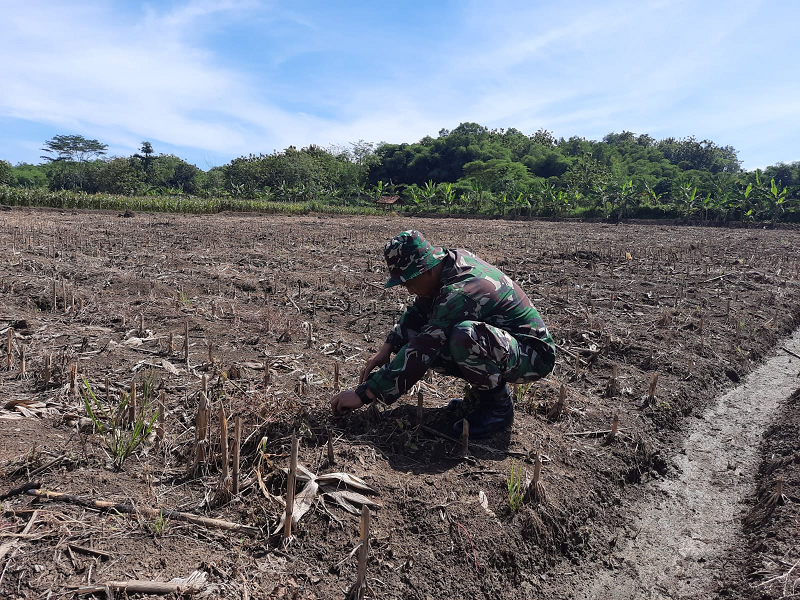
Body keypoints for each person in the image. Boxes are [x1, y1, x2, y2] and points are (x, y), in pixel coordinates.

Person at [330, 230, 555, 438]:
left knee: (463, 336)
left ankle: (497, 408)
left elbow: (421, 349)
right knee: (445, 342)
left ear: (425, 270)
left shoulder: (459, 293)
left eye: (409, 282)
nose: (409, 290)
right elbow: (419, 311)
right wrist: (386, 349)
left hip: (533, 356)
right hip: (505, 346)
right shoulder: (449, 264)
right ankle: (481, 398)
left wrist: (364, 394)